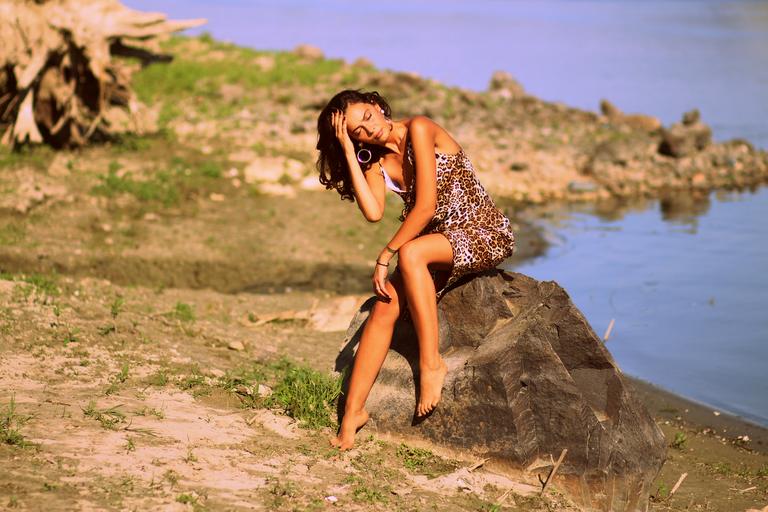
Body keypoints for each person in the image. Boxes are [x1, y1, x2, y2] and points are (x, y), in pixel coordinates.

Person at [315, 89, 515, 450]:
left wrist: (385, 255)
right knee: (384, 305)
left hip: (482, 231)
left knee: (409, 254)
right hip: (433, 245)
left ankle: (431, 363)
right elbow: (373, 211)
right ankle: (352, 415)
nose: (369, 130)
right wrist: (347, 149)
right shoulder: (374, 162)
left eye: (368, 117)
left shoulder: (420, 128)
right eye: (358, 132)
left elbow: (425, 207)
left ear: (378, 107)